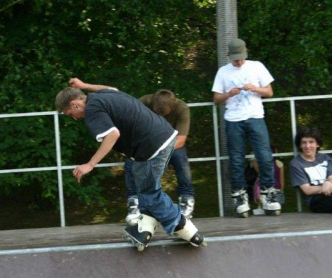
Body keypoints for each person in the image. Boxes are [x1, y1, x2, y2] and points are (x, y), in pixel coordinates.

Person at [55, 78, 206, 249]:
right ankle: (145, 229)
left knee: (149, 193)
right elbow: (113, 87)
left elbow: (112, 135)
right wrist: (84, 86)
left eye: (70, 114)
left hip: (151, 146)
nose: (74, 118)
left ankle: (184, 228)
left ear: (75, 104)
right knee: (143, 186)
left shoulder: (92, 110)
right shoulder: (103, 94)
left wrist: (90, 164)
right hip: (166, 136)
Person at [211, 38, 281, 217]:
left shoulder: (256, 66)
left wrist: (255, 88)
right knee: (236, 159)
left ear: (245, 54)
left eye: (241, 58)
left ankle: (268, 193)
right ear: (230, 57)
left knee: (265, 156)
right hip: (233, 119)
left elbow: (270, 92)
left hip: (256, 117)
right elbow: (216, 99)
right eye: (235, 59)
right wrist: (229, 93)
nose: (238, 62)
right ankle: (240, 197)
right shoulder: (223, 72)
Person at [124, 89, 196, 223]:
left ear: (173, 106)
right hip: (145, 143)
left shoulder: (181, 108)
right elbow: (127, 129)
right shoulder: (142, 103)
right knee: (130, 161)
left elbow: (180, 140)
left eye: (164, 113)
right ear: (152, 104)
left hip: (171, 144)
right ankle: (134, 203)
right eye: (158, 113)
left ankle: (186, 201)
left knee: (181, 159)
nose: (161, 117)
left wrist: (157, 151)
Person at [289, 127, 332, 215]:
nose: (307, 146)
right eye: (304, 143)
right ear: (300, 145)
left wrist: (328, 182)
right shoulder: (296, 163)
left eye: (311, 142)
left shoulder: (325, 158)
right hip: (317, 201)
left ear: (317, 144)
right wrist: (325, 187)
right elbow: (307, 190)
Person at [252, 145, 285, 214]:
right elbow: (282, 180)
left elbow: (254, 162)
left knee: (264, 203)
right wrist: (282, 191)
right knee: (275, 206)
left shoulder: (263, 164)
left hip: (265, 187)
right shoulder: (279, 163)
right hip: (277, 187)